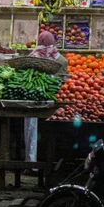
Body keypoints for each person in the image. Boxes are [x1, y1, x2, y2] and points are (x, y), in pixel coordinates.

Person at [24, 31, 68, 173]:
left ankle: (31, 163)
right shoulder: (61, 59)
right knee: (53, 132)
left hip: (33, 100)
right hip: (54, 102)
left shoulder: (32, 57)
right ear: (53, 42)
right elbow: (64, 82)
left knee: (31, 130)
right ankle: (53, 163)